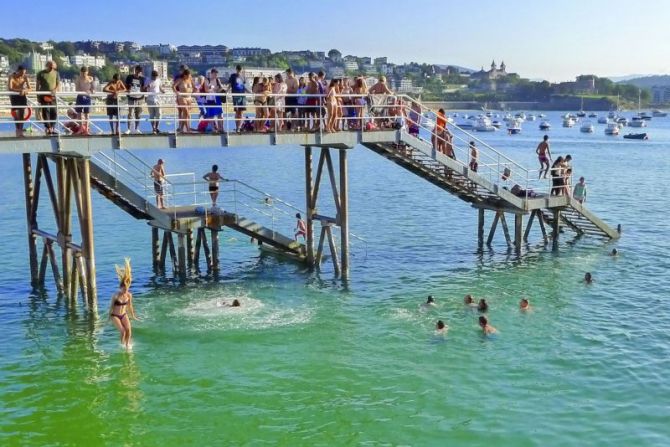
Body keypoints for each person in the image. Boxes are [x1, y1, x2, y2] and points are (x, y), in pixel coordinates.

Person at [109, 258, 139, 349]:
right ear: (120, 287)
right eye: (124, 289)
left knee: (129, 330)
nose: (125, 290)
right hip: (115, 315)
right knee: (123, 331)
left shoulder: (129, 295)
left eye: (127, 289)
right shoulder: (115, 296)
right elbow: (111, 308)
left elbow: (130, 307)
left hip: (123, 314)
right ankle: (121, 345)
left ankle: (127, 345)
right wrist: (108, 318)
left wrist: (133, 316)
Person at [35, 61, 60, 135]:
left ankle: (52, 127)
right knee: (46, 112)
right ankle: (48, 128)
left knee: (54, 112)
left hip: (53, 96)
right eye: (50, 65)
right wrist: (38, 96)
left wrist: (55, 90)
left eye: (53, 66)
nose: (52, 67)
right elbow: (37, 85)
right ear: (47, 65)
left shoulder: (56, 73)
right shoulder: (41, 73)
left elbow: (58, 84)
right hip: (43, 95)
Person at [8, 65, 31, 137]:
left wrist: (25, 90)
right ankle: (17, 128)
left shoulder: (25, 77)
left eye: (24, 73)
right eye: (21, 73)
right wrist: (20, 90)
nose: (22, 75)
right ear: (18, 71)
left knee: (22, 113)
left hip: (22, 95)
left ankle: (20, 129)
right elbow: (10, 88)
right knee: (15, 113)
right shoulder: (11, 76)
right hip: (14, 95)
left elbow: (30, 88)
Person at [125, 65, 145, 134]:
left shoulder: (142, 79)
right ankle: (128, 129)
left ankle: (137, 128)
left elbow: (143, 88)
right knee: (130, 113)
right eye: (138, 72)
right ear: (135, 70)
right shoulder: (130, 77)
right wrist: (128, 89)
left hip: (140, 98)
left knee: (138, 114)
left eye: (140, 72)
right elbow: (126, 86)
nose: (139, 73)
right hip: (131, 98)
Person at [173, 69, 195, 133]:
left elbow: (194, 87)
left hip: (189, 98)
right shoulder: (180, 80)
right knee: (187, 113)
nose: (189, 77)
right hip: (182, 97)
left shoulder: (190, 79)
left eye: (189, 75)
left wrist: (194, 92)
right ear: (185, 75)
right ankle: (188, 129)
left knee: (185, 114)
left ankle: (181, 128)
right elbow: (173, 86)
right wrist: (177, 92)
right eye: (188, 76)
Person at [74, 66, 94, 135]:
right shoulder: (78, 79)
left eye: (85, 73)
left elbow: (93, 89)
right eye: (82, 73)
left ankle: (86, 129)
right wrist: (85, 91)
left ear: (87, 72)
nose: (83, 75)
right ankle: (80, 128)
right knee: (79, 113)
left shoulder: (90, 78)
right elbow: (77, 89)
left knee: (87, 114)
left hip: (87, 97)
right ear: (80, 72)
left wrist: (90, 89)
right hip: (80, 96)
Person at [145, 70, 165, 134]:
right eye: (154, 77)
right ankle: (153, 128)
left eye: (156, 77)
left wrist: (163, 91)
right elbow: (144, 88)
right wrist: (147, 86)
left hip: (158, 99)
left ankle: (156, 127)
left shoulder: (158, 80)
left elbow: (160, 87)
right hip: (150, 99)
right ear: (152, 76)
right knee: (152, 115)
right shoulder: (148, 80)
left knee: (159, 114)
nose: (155, 78)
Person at [229, 65, 247, 132]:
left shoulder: (243, 77)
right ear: (236, 69)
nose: (239, 71)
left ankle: (239, 127)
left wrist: (249, 92)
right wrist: (226, 92)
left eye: (240, 69)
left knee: (241, 112)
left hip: (242, 96)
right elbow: (230, 85)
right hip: (235, 96)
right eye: (238, 69)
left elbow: (243, 86)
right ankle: (237, 127)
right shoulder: (233, 76)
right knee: (237, 112)